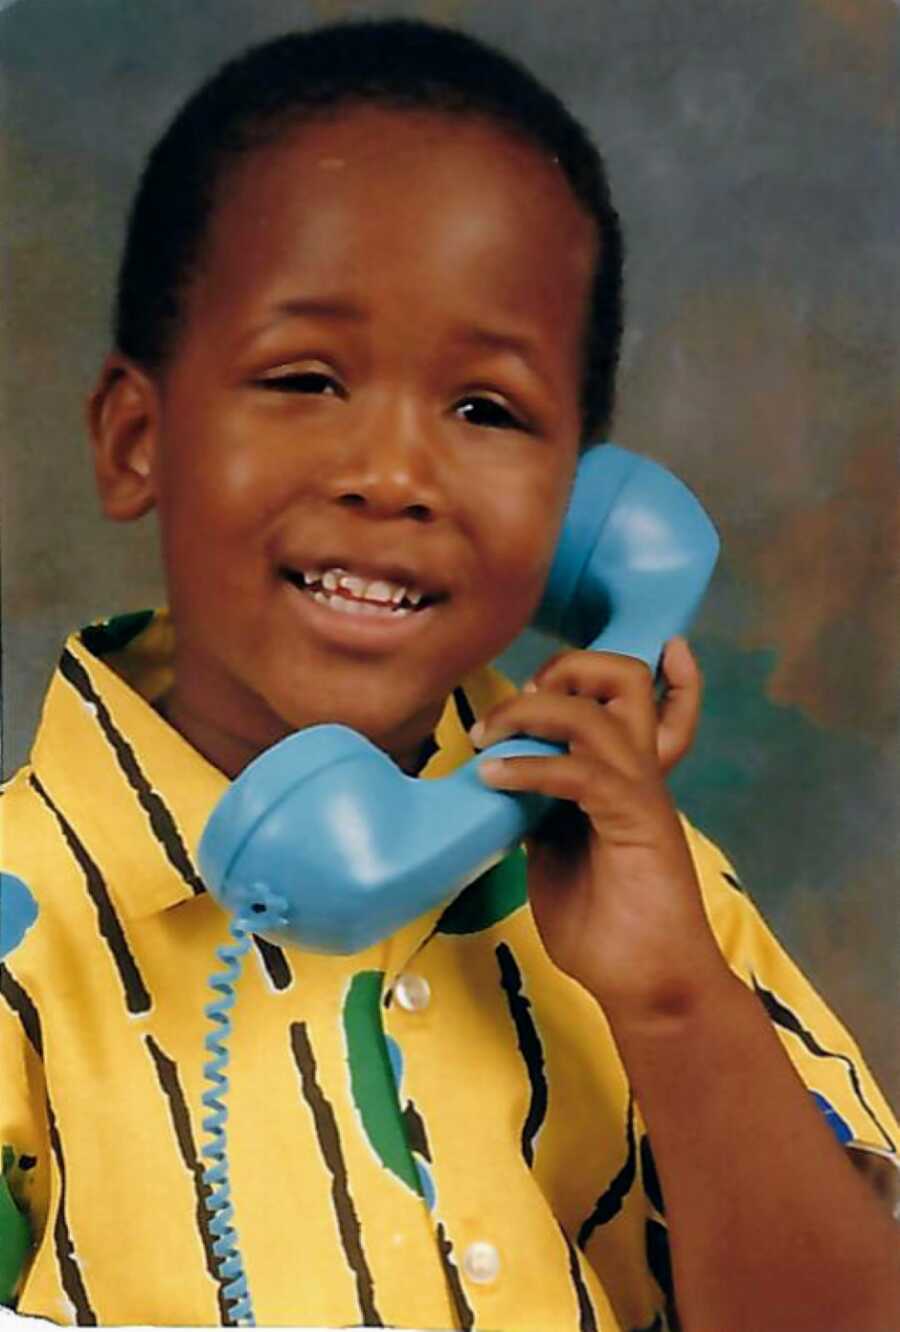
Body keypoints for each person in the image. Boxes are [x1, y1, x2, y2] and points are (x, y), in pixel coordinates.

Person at [0, 18, 897, 1332]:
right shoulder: (23, 944)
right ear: (140, 440)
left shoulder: (660, 897)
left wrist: (669, 998)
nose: (397, 477)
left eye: (486, 411)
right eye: (307, 379)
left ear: (583, 511)